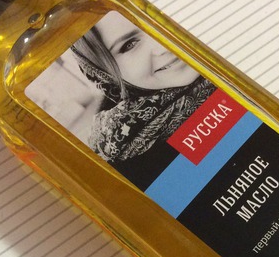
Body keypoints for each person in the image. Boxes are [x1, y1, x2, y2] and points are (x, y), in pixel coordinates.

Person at [71, 12, 216, 164]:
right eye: (130, 45)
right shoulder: (122, 153)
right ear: (106, 75)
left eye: (161, 21)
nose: (163, 47)